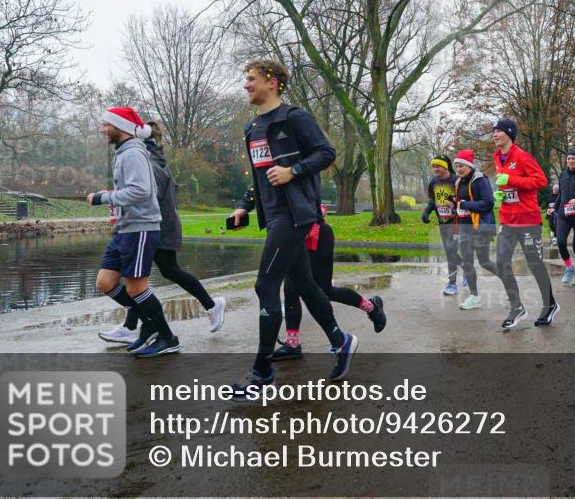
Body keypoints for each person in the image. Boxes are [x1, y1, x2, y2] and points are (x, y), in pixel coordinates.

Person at [228, 59, 355, 391]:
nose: (246, 84)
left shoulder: (294, 117)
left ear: (273, 82)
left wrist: (293, 171)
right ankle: (341, 342)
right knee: (306, 285)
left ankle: (261, 371)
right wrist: (244, 207)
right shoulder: (252, 128)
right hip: (272, 216)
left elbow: (326, 152)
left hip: (295, 215)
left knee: (265, 285)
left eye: (251, 78)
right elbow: (260, 176)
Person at [99, 121, 225, 346]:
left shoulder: (149, 162)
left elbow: (145, 196)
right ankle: (133, 327)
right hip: (152, 226)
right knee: (149, 276)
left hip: (157, 227)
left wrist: (114, 198)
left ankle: (211, 306)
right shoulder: (150, 157)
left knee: (151, 276)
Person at [87, 107, 179, 357]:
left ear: (120, 127)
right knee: (105, 282)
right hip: (125, 228)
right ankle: (149, 321)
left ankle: (167, 337)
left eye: (106, 124)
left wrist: (103, 197)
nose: (102, 129)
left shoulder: (134, 153)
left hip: (141, 228)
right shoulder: (124, 152)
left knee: (136, 288)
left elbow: (141, 191)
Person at [274, 204, 387, 360]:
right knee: (290, 288)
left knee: (324, 290)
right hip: (294, 233)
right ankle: (292, 344)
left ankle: (372, 307)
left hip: (317, 232)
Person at [492, 118, 559, 328]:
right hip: (507, 219)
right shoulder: (497, 157)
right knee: (502, 263)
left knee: (534, 264)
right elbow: (507, 186)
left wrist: (512, 181)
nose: (494, 135)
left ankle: (550, 305)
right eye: (493, 132)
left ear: (509, 134)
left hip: (528, 220)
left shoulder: (522, 156)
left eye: (499, 131)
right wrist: (501, 195)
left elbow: (541, 180)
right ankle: (517, 307)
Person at [451, 149, 499, 311]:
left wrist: (465, 204)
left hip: (480, 227)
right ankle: (474, 296)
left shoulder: (480, 180)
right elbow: (460, 202)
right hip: (465, 227)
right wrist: (455, 204)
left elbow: (488, 203)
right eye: (456, 166)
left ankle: (508, 280)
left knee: (484, 261)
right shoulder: (459, 182)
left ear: (469, 166)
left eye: (461, 166)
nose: (458, 169)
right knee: (467, 262)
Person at [421, 155, 463, 295]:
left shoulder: (456, 180)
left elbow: (465, 199)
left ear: (445, 166)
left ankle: (452, 284)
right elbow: (433, 200)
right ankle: (468, 270)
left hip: (456, 222)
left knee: (451, 252)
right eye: (433, 167)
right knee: (449, 251)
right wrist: (427, 212)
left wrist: (455, 203)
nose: (435, 169)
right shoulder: (434, 181)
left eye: (437, 166)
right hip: (443, 222)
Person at [554, 149, 575, 286]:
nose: (571, 161)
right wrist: (553, 207)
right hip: (563, 213)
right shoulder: (563, 174)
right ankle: (569, 268)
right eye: (569, 159)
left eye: (573, 158)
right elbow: (560, 195)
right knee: (560, 242)